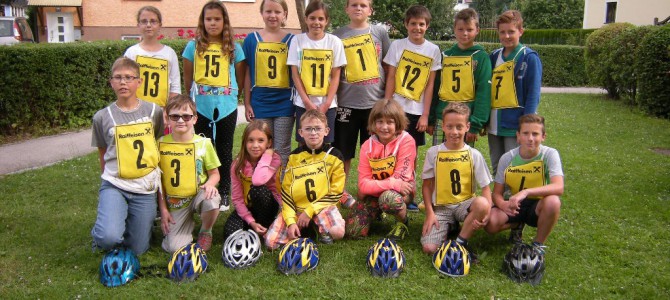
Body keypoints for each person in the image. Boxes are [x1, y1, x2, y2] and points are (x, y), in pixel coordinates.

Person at [90, 57, 164, 255]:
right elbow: (103, 152)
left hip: (145, 187)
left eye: (129, 78)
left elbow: (158, 142)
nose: (123, 82)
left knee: (138, 249)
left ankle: (128, 222)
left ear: (139, 82)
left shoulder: (154, 111)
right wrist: (109, 181)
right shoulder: (102, 117)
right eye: (118, 78)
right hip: (116, 184)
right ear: (111, 82)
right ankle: (103, 230)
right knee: (109, 238)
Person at [183, 0, 245, 211]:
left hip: (226, 106)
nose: (212, 23)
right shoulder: (193, 46)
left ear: (224, 21)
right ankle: (203, 189)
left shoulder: (234, 48)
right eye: (208, 19)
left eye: (217, 19)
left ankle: (225, 191)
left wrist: (233, 98)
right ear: (202, 22)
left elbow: (239, 77)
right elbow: (188, 79)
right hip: (201, 106)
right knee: (202, 149)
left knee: (225, 150)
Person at [383, 4, 441, 212]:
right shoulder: (398, 45)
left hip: (417, 112)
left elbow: (430, 85)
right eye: (414, 23)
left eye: (422, 24)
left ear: (427, 26)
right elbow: (391, 76)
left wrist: (425, 114)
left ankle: (409, 193)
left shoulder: (433, 50)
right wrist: (386, 105)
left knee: (411, 155)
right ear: (406, 25)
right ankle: (389, 190)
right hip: (397, 109)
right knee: (390, 151)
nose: (417, 27)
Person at [332, 0, 391, 203]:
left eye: (363, 5)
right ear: (346, 8)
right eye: (354, 4)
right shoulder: (337, 35)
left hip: (374, 104)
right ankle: (340, 192)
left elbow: (388, 66)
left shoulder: (380, 32)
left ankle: (372, 194)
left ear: (370, 10)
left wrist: (386, 100)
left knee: (374, 153)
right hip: (346, 103)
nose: (359, 8)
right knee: (343, 151)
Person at [421, 103, 492, 264]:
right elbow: (426, 186)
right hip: (441, 206)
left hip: (464, 204)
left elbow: (486, 187)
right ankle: (450, 226)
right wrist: (429, 213)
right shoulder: (434, 153)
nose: (454, 132)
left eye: (459, 127)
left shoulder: (474, 154)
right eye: (450, 127)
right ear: (443, 127)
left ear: (467, 127)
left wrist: (486, 211)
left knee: (481, 203)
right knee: (429, 249)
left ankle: (461, 242)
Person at [265, 109, 346, 250]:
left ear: (326, 131)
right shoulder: (293, 157)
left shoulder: (335, 156)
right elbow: (286, 193)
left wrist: (310, 211)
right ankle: (307, 228)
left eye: (317, 129)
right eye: (308, 129)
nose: (313, 133)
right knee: (270, 243)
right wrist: (290, 221)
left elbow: (336, 193)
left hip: (322, 208)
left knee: (337, 232)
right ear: (301, 133)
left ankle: (319, 226)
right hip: (297, 210)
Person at [485, 114, 563, 255]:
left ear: (543, 136)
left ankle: (537, 245)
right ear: (518, 136)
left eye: (535, 134)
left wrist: (526, 192)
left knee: (553, 201)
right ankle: (517, 224)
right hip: (513, 204)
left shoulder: (549, 154)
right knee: (491, 224)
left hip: (537, 206)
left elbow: (559, 187)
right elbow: (496, 193)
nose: (530, 138)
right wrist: (503, 205)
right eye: (525, 133)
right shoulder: (507, 158)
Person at [157, 95, 221, 253]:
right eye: (175, 116)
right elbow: (159, 182)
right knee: (174, 248)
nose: (180, 120)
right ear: (167, 118)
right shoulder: (160, 144)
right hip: (176, 202)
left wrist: (210, 184)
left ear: (194, 119)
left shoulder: (204, 144)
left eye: (186, 116)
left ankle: (206, 231)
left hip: (199, 194)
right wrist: (163, 209)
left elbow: (215, 174)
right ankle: (183, 227)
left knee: (212, 200)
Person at [345, 98, 416, 240]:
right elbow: (363, 185)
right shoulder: (367, 145)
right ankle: (377, 212)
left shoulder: (406, 141)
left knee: (388, 198)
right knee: (353, 231)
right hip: (375, 194)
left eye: (390, 122)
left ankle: (403, 223)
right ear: (373, 123)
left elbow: (401, 181)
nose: (384, 127)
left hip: (400, 194)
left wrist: (387, 185)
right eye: (380, 122)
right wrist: (391, 184)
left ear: (397, 123)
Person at [487, 10, 542, 176]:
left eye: (511, 31)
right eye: (502, 32)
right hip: (494, 124)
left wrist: (526, 126)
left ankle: (514, 200)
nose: (507, 36)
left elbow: (533, 94)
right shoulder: (494, 56)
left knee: (514, 166)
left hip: (515, 125)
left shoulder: (529, 57)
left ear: (520, 31)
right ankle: (500, 199)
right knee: (497, 166)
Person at [242, 0, 295, 166]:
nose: (273, 15)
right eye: (269, 11)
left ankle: (281, 186)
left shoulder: (293, 40)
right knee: (261, 146)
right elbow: (248, 73)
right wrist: (247, 102)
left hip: (285, 103)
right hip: (260, 102)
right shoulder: (251, 39)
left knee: (282, 147)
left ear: (285, 14)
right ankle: (261, 187)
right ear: (262, 13)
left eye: (277, 12)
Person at [428, 8, 491, 148]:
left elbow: (484, 92)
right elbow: (435, 88)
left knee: (461, 160)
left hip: (465, 119)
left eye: (469, 29)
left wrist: (476, 124)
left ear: (477, 30)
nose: (465, 33)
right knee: (439, 158)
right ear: (454, 29)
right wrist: (431, 119)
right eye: (460, 29)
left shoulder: (481, 57)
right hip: (441, 117)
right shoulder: (445, 56)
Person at [287, 0, 346, 145]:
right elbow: (295, 74)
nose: (316, 22)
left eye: (321, 19)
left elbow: (335, 76)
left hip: (327, 104)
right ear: (306, 19)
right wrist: (307, 102)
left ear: (327, 21)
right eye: (312, 18)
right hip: (303, 102)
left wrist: (326, 103)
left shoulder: (334, 42)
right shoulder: (297, 40)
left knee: (325, 143)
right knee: (304, 143)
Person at [222, 120, 282, 242]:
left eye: (261, 140)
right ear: (244, 142)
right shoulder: (237, 164)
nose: (255, 145)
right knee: (230, 234)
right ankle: (254, 226)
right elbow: (237, 199)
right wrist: (251, 221)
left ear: (269, 143)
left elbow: (258, 180)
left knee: (258, 190)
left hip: (269, 207)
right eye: (251, 140)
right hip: (248, 208)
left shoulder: (274, 159)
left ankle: (266, 225)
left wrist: (267, 155)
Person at [124, 6, 181, 108]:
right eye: (144, 21)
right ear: (138, 25)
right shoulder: (131, 53)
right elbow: (125, 84)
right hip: (136, 110)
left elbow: (175, 88)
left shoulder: (169, 53)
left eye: (153, 21)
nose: (148, 25)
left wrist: (168, 111)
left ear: (160, 25)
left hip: (161, 111)